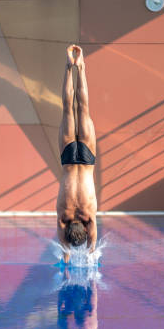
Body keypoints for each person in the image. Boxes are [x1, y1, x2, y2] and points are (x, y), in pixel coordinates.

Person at [57, 45, 97, 264]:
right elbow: (63, 240)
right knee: (67, 108)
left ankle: (80, 68)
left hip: (88, 158)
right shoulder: (63, 215)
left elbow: (92, 240)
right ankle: (69, 67)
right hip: (68, 159)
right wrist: (66, 253)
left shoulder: (89, 215)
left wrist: (88, 251)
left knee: (83, 108)